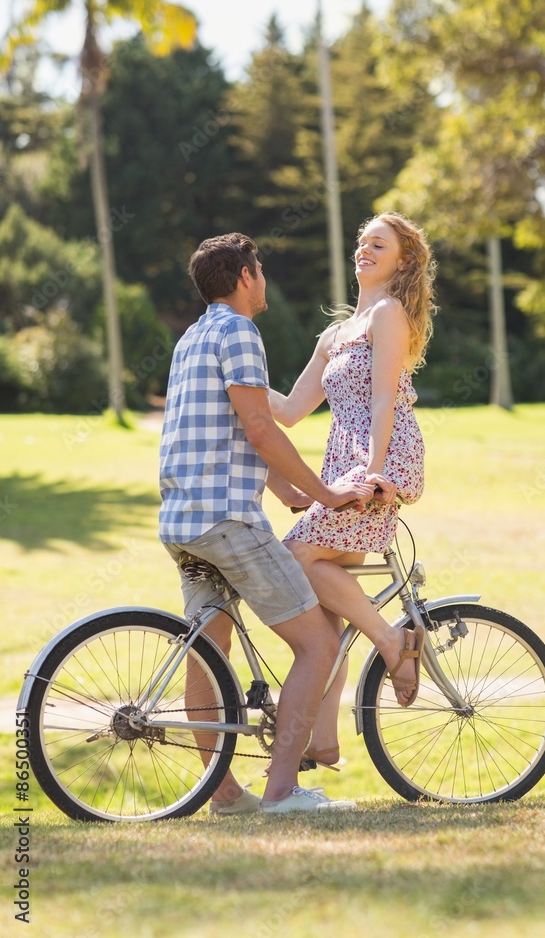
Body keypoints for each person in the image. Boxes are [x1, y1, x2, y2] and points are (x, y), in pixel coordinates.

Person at [159, 232, 375, 814]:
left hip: (184, 519)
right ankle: (282, 792)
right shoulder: (239, 331)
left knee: (210, 654)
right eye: (260, 270)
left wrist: (287, 491)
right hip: (228, 521)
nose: (265, 280)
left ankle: (225, 795)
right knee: (318, 644)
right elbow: (260, 426)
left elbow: (227, 432)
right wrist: (327, 492)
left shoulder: (192, 337)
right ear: (245, 277)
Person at [269, 211, 436, 772]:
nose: (364, 250)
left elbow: (385, 398)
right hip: (342, 469)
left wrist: (371, 469)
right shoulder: (334, 333)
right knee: (322, 612)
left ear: (403, 260)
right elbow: (291, 411)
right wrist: (232, 377)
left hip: (379, 464)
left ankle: (392, 643)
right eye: (362, 242)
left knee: (295, 557)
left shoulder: (388, 315)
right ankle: (322, 742)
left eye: (378, 244)